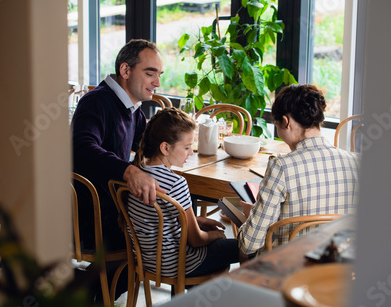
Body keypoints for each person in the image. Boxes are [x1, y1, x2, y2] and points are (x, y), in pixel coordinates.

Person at [71, 39, 166, 302]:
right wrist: (129, 171)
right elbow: (81, 147)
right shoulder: (96, 102)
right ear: (125, 71)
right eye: (150, 73)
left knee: (163, 230)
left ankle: (83, 290)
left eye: (159, 74)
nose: (157, 82)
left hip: (109, 208)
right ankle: (83, 291)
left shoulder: (132, 109)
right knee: (152, 242)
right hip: (87, 216)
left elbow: (146, 147)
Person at [238, 84, 360, 256]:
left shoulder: (281, 167)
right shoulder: (357, 162)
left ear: (285, 122)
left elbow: (248, 244)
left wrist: (252, 218)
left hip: (286, 274)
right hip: (337, 272)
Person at [129, 107, 240, 279]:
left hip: (149, 261)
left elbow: (158, 221)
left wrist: (195, 221)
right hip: (179, 264)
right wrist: (215, 235)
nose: (191, 152)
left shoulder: (137, 174)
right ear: (165, 148)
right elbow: (196, 240)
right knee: (248, 246)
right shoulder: (176, 183)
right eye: (187, 147)